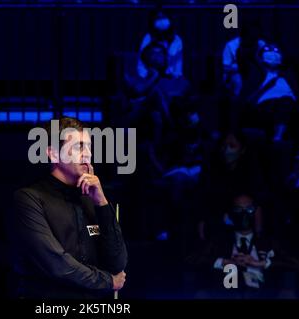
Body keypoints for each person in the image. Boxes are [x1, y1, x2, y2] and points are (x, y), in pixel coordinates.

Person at [11, 117, 128, 299]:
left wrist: (102, 202)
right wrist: (108, 282)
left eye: (89, 147)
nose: (88, 154)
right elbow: (55, 264)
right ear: (54, 154)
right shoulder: (28, 198)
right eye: (79, 147)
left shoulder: (93, 197)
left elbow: (118, 263)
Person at [187, 193, 299, 298]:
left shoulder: (268, 242)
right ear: (231, 213)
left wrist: (262, 263)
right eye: (238, 209)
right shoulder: (219, 241)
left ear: (256, 213)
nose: (244, 214)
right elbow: (191, 259)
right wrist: (223, 262)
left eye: (249, 209)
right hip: (226, 294)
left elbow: (296, 263)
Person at [137, 10, 183, 79]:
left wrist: (175, 75)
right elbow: (141, 61)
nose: (161, 21)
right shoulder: (148, 37)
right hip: (150, 77)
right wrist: (145, 75)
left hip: (170, 79)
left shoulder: (176, 39)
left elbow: (178, 61)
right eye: (159, 18)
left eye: (164, 17)